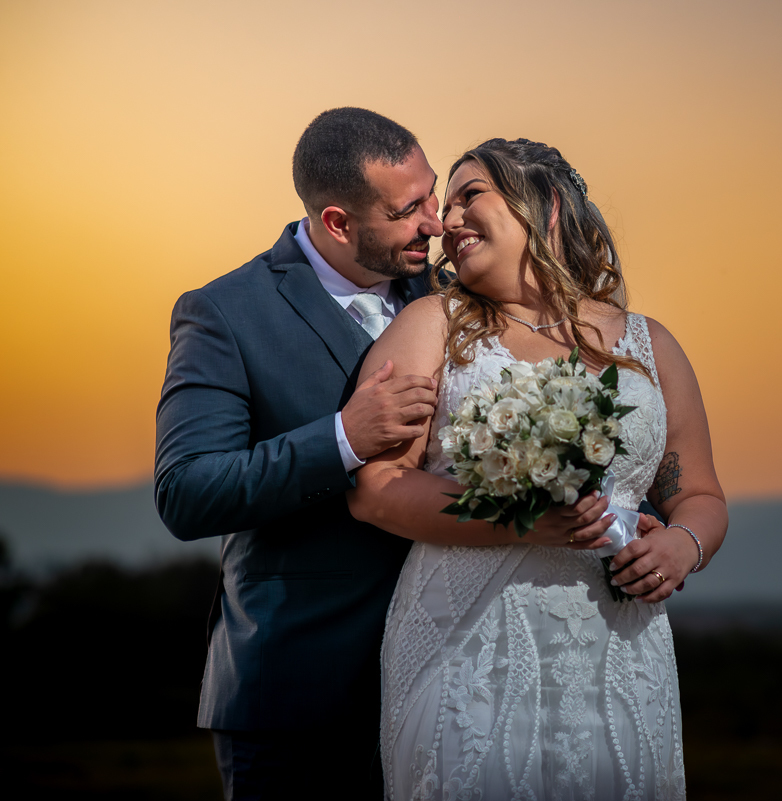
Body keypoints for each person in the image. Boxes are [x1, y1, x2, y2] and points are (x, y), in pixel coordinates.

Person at [153, 110, 615, 799]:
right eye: (409, 210)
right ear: (338, 222)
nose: (437, 223)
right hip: (303, 693)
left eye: (435, 194)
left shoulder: (455, 296)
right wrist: (341, 438)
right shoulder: (226, 312)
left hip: (461, 681)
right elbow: (187, 491)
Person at [348, 138, 728, 800]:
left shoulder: (650, 344)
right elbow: (376, 490)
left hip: (618, 645)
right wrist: (521, 521)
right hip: (470, 648)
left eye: (471, 196)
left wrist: (681, 544)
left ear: (545, 205)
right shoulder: (432, 325)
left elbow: (699, 493)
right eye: (446, 206)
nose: (448, 221)